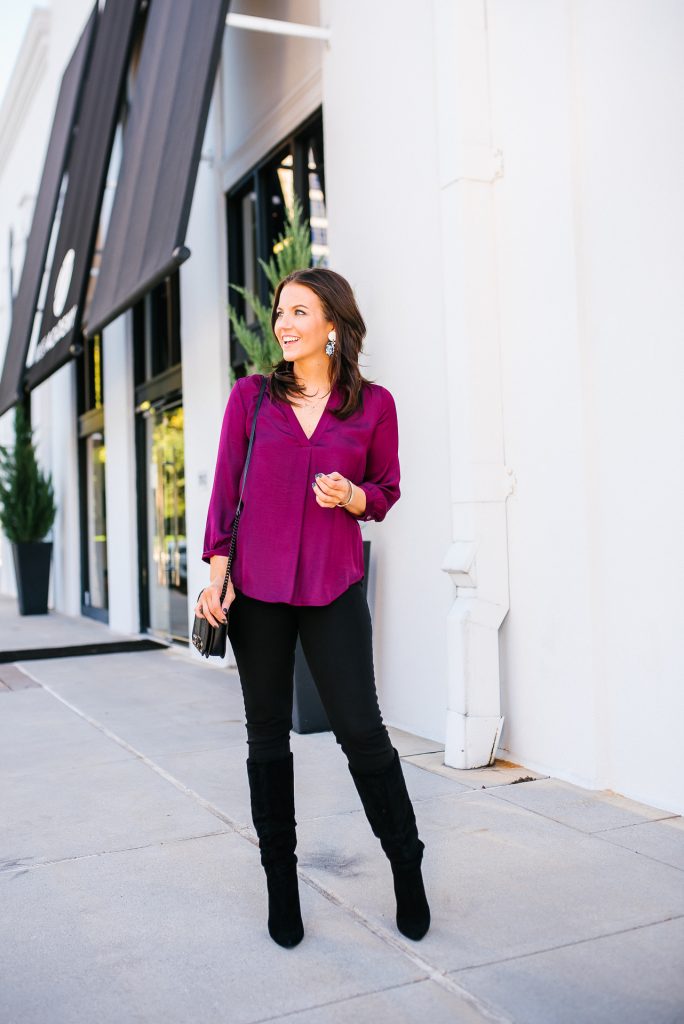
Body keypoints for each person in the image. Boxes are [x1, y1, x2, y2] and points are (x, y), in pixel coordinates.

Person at [196, 267, 430, 949]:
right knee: (266, 737)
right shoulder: (251, 399)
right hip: (258, 592)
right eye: (280, 311)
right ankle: (280, 885)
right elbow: (225, 497)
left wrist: (352, 497)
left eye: (301, 311)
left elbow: (384, 490)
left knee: (362, 732)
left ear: (333, 325)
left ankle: (406, 860)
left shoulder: (373, 406)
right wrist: (218, 577)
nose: (285, 323)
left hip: (333, 584)